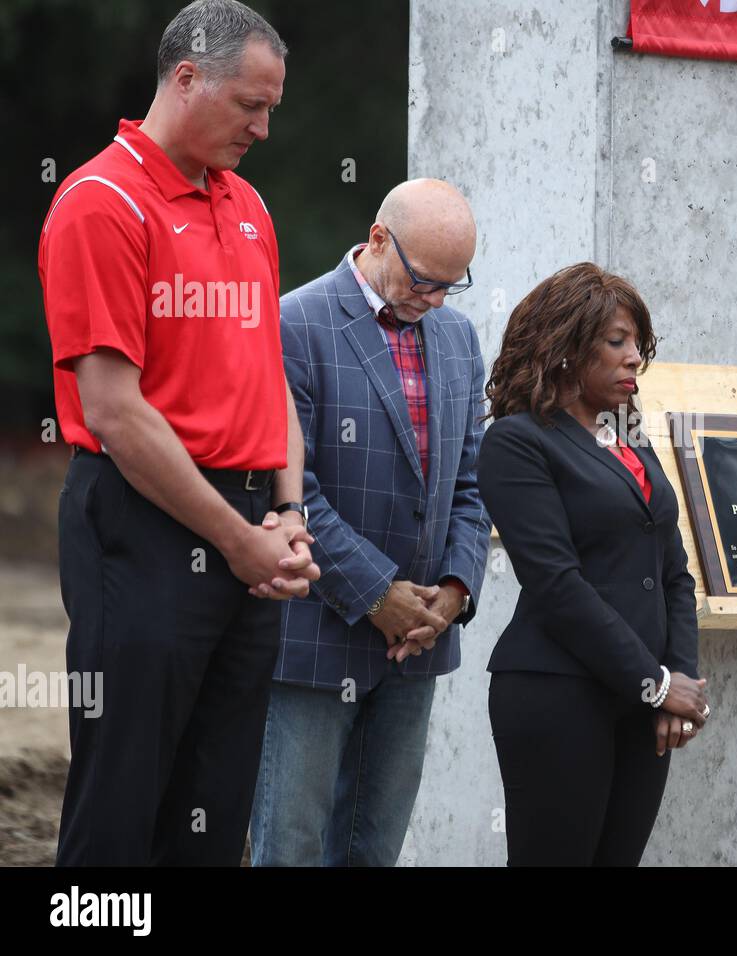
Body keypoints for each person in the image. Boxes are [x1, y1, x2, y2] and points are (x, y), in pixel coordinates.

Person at [37, 0, 320, 866]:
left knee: (214, 806)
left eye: (272, 108)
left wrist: (289, 512)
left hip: (247, 533)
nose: (263, 129)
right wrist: (237, 540)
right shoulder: (100, 201)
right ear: (187, 77)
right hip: (143, 520)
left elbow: (266, 375)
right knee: (120, 807)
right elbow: (117, 414)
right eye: (250, 105)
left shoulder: (248, 205)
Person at [250, 179, 491, 866]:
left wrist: (453, 590)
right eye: (425, 280)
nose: (437, 299)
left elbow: (469, 484)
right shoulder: (295, 322)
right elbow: (291, 489)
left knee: (374, 848)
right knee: (289, 846)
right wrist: (376, 594)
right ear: (378, 239)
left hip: (416, 643)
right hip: (317, 635)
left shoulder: (456, 337)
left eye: (454, 283)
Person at [478, 263, 710, 866]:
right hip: (557, 692)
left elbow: (674, 572)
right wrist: (657, 683)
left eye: (638, 343)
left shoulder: (627, 430)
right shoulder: (517, 441)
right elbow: (557, 585)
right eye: (616, 342)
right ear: (564, 349)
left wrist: (678, 682)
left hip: (646, 701)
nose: (634, 357)